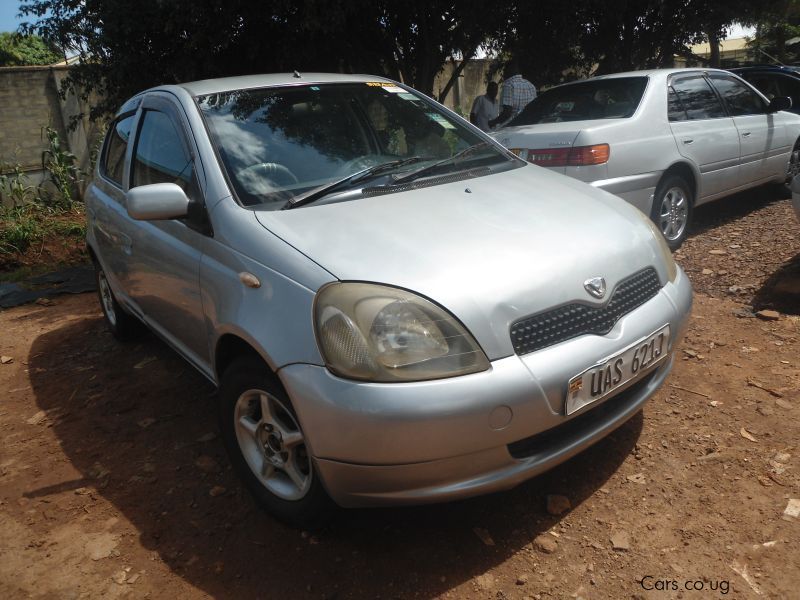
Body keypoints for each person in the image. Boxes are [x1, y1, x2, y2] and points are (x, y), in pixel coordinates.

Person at [489, 59, 537, 129]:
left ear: (510, 69)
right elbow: (534, 109)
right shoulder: (531, 86)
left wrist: (493, 122)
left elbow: (507, 113)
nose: (503, 73)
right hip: (528, 127)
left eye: (505, 69)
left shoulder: (509, 85)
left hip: (511, 128)